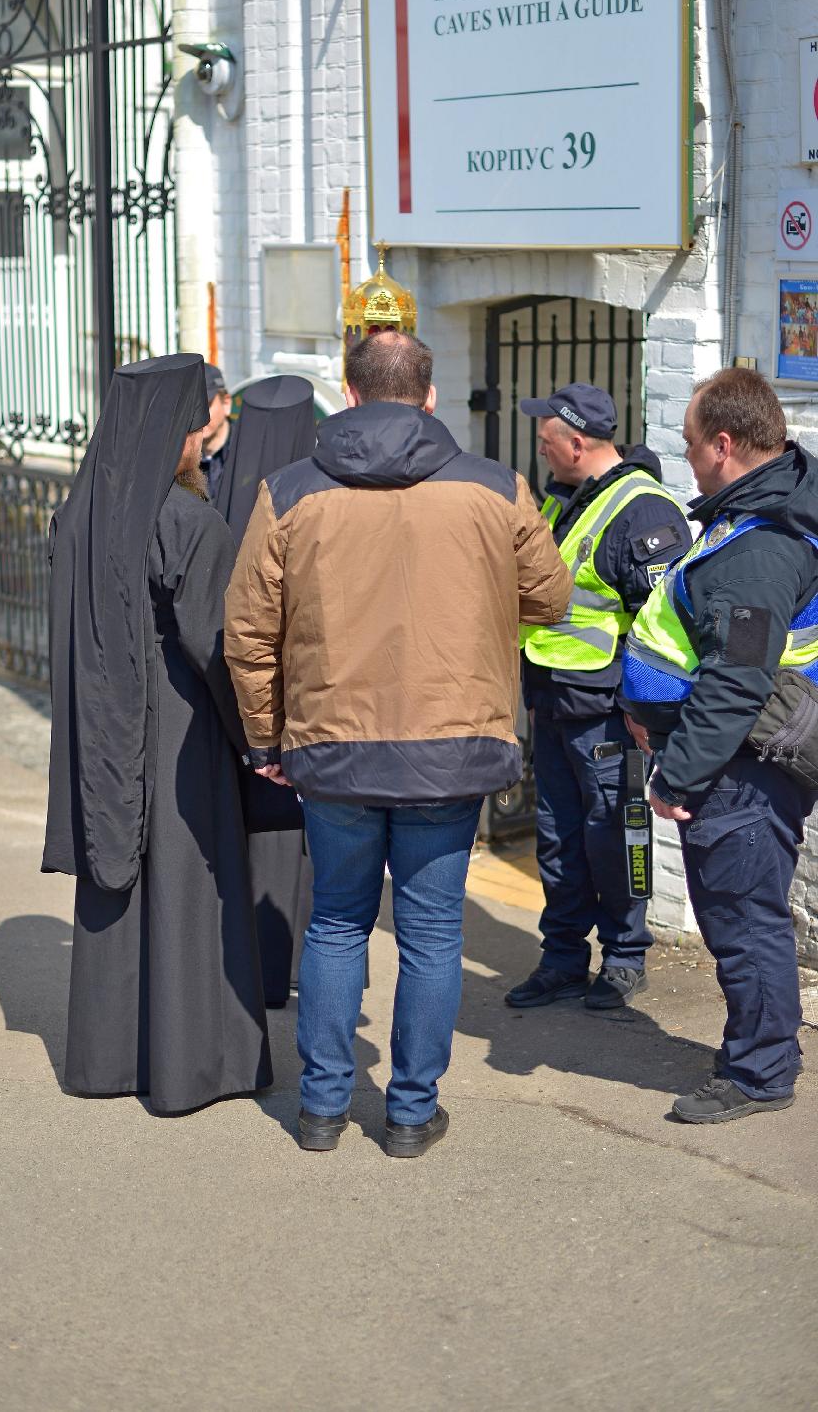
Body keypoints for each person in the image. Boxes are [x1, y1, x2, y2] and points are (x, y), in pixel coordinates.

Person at [225, 330, 571, 1156]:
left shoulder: (289, 491)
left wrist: (267, 738)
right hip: (451, 745)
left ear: (347, 393)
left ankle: (321, 1110)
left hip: (333, 748)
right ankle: (412, 1113)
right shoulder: (497, 487)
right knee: (431, 933)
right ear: (431, 396)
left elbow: (248, 633)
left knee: (338, 924)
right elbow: (553, 600)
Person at [43, 353, 272, 1112]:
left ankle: (107, 1059)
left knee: (120, 882)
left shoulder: (79, 510)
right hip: (178, 723)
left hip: (98, 722)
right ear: (176, 431)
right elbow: (221, 644)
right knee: (187, 883)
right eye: (197, 428)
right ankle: (192, 1066)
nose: (205, 441)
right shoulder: (188, 519)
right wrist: (259, 739)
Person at [621, 368, 818, 1123]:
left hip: (740, 771)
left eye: (693, 443)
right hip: (733, 763)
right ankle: (758, 1050)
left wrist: (679, 775)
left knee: (743, 920)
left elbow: (737, 678)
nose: (689, 458)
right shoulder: (758, 512)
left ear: (726, 444)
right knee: (741, 916)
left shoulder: (761, 549)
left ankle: (761, 1072)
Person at [505, 384, 691, 1012]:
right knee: (556, 836)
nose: (541, 450)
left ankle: (623, 956)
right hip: (556, 701)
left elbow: (663, 626)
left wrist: (643, 712)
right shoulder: (567, 499)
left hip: (609, 714)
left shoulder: (643, 511)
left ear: (577, 443)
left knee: (614, 834)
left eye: (547, 440)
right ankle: (561, 958)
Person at [212, 373, 318, 1007]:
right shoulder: (318, 486)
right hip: (312, 687)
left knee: (255, 831)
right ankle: (306, 960)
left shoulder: (226, 491)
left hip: (247, 693)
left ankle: (258, 959)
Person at [199, 363, 233, 503]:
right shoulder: (178, 458)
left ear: (226, 404)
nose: (198, 415)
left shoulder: (247, 451)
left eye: (205, 405)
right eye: (190, 407)